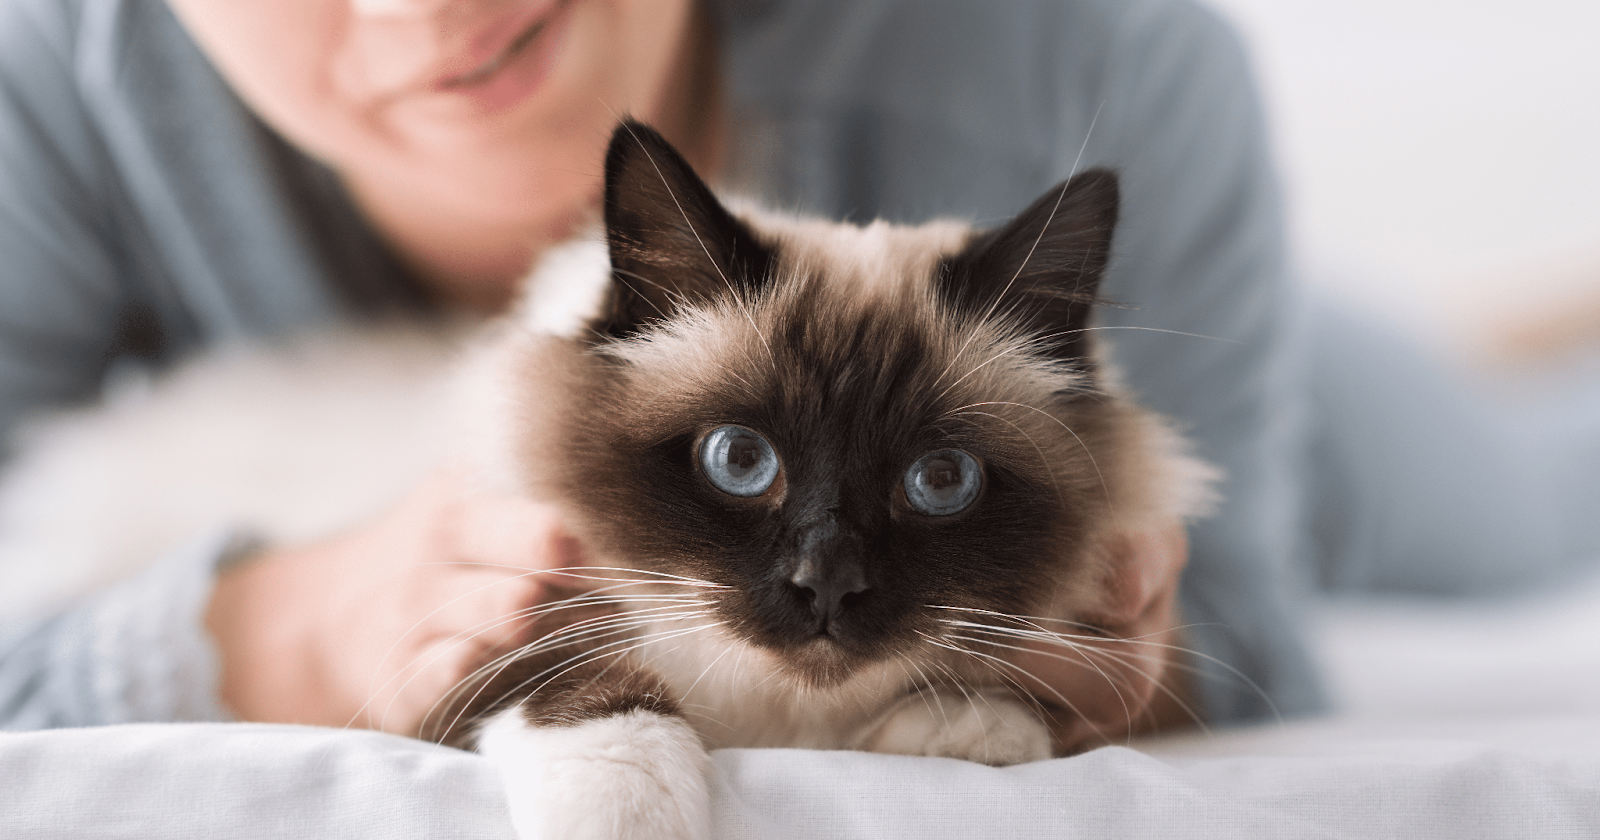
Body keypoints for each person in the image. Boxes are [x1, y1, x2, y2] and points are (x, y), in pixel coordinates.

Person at [2, 0, 1572, 742]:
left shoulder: (1097, 58)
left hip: (1332, 400)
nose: (434, 11)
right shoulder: (45, 90)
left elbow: (1258, 658)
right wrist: (285, 628)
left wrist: (1116, 655)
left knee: (1537, 481)